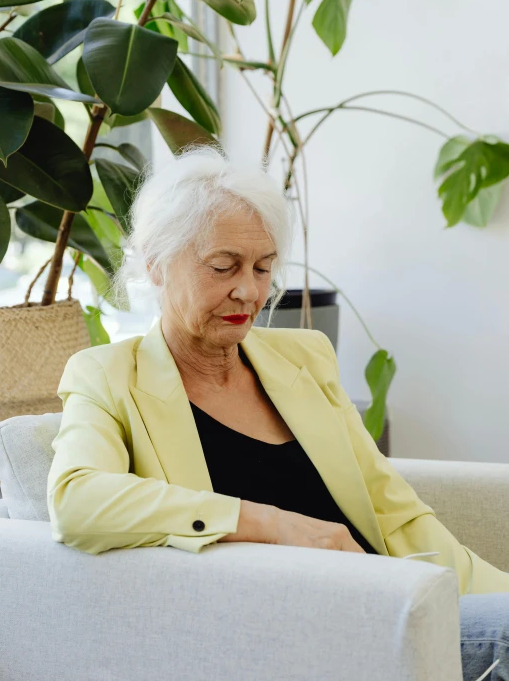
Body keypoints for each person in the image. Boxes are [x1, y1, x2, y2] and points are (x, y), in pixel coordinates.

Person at [47, 146, 509, 679]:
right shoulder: (107, 375)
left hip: (390, 598)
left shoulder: (304, 357)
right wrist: (270, 524)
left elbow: (393, 509)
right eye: (223, 266)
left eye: (263, 267)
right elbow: (76, 500)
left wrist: (488, 591)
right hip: (283, 626)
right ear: (155, 263)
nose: (249, 290)